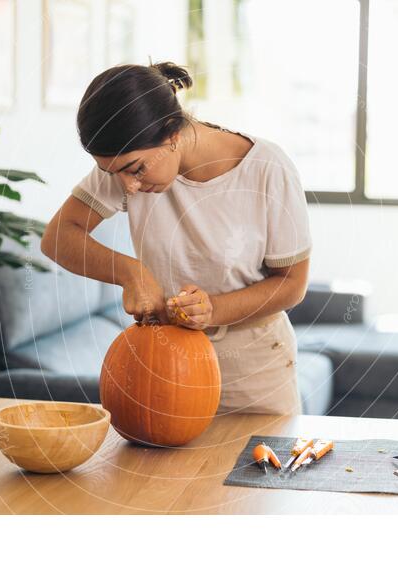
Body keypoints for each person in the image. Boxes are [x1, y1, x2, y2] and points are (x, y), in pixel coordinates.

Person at [40, 61, 312, 415]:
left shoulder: (267, 169)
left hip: (253, 371)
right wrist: (130, 272)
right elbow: (58, 237)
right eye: (113, 173)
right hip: (164, 366)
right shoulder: (126, 163)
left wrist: (213, 309)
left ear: (172, 133)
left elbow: (292, 284)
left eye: (136, 169)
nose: (128, 187)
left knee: (255, 469)